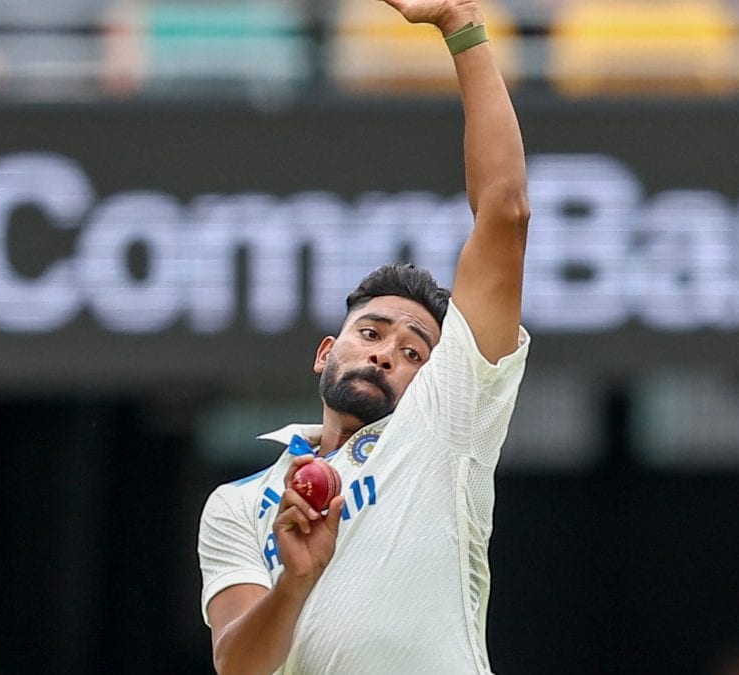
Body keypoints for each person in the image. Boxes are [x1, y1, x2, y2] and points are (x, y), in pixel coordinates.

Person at [196, 0, 531, 671]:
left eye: (414, 353)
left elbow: (506, 209)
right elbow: (237, 666)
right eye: (371, 332)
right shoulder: (236, 505)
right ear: (327, 350)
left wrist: (460, 26)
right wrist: (295, 579)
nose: (385, 351)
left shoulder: (445, 425)